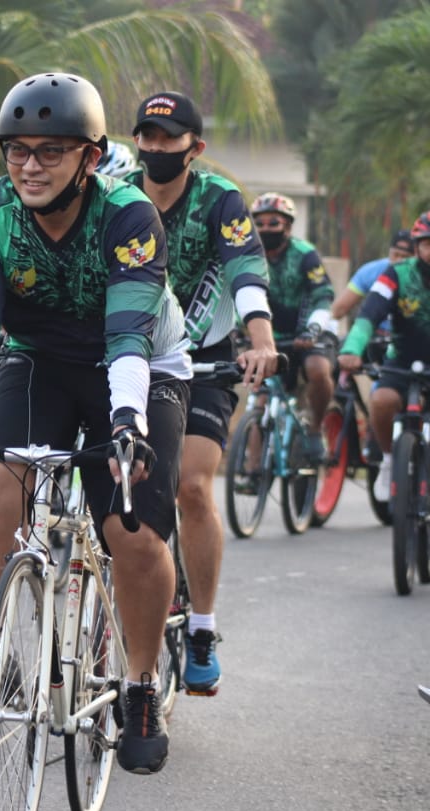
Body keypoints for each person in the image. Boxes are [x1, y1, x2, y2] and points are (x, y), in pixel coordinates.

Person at [0, 72, 191, 774]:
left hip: (138, 368)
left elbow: (128, 335)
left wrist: (127, 421)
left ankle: (137, 682)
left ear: (90, 158)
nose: (30, 167)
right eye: (17, 151)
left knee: (130, 531)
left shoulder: (129, 216)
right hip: (39, 358)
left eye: (50, 152)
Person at [127, 91, 279, 697]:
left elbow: (244, 266)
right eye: (148, 137)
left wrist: (260, 336)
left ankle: (202, 628)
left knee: (191, 485)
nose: (157, 148)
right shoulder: (117, 192)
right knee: (120, 486)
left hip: (206, 360)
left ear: (196, 146)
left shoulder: (220, 199)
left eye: (169, 139)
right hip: (131, 356)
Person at [338, 211, 430, 498]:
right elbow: (369, 314)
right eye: (427, 244)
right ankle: (390, 460)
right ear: (416, 247)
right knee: (381, 400)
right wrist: (352, 349)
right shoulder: (396, 273)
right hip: (401, 359)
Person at [252, 191, 336, 461]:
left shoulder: (305, 254)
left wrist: (312, 329)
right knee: (261, 401)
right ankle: (251, 469)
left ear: (288, 226)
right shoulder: (249, 255)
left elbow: (323, 295)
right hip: (271, 339)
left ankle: (314, 429)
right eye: (260, 223)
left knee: (318, 369)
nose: (266, 229)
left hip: (308, 335)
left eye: (273, 223)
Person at [331, 228, 414, 324]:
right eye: (395, 255)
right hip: (373, 334)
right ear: (389, 252)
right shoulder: (371, 271)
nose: (399, 261)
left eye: (405, 257)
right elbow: (338, 310)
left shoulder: (423, 277)